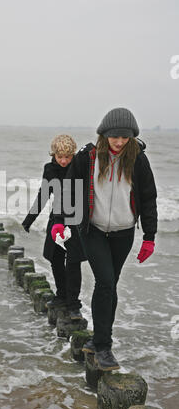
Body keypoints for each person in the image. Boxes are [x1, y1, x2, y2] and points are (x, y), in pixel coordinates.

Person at [51, 108, 157, 371]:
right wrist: (58, 223)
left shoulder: (138, 160)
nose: (119, 142)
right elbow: (68, 191)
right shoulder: (87, 158)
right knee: (106, 282)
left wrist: (149, 237)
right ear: (104, 134)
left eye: (125, 137)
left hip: (123, 232)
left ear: (132, 137)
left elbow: (149, 197)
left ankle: (97, 341)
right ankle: (103, 346)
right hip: (93, 230)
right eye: (114, 137)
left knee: (111, 285)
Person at [21, 134, 86, 320]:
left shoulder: (79, 167)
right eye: (60, 157)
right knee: (55, 258)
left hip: (76, 219)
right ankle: (61, 295)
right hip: (56, 218)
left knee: (73, 262)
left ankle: (74, 304)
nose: (64, 161)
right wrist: (29, 219)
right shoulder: (49, 169)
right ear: (54, 155)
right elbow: (44, 194)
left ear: (73, 154)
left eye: (68, 157)